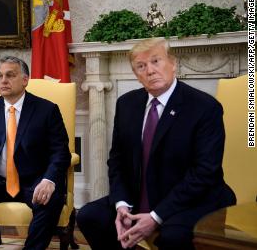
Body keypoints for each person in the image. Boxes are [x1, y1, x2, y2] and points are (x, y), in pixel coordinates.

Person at [76, 38, 236, 250]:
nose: (150, 71)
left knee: (172, 236)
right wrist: (121, 203)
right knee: (90, 216)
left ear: (173, 63)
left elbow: (205, 173)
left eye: (156, 61)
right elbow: (117, 161)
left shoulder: (205, 107)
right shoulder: (127, 104)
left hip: (193, 199)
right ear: (136, 74)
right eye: (141, 66)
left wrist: (156, 216)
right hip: (138, 195)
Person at [0, 56, 71, 250]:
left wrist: (49, 180)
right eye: (0, 76)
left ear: (25, 80)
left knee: (51, 199)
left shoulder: (47, 110)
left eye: (10, 75)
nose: (3, 81)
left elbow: (61, 152)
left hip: (35, 179)